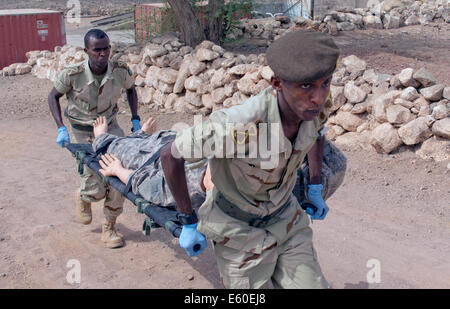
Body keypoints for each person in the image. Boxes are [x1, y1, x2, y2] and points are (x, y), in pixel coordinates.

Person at [160, 30, 343, 289]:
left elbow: (317, 131)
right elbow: (170, 154)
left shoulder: (316, 104)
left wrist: (314, 186)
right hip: (237, 231)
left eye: (325, 82)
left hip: (287, 220)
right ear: (277, 83)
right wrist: (188, 220)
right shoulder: (240, 125)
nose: (318, 96)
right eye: (306, 86)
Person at [48, 29, 141, 248]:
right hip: (82, 130)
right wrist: (61, 127)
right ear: (87, 51)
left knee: (119, 173)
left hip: (109, 128)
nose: (102, 54)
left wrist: (136, 118)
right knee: (96, 185)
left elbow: (131, 90)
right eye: (97, 50)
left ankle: (110, 227)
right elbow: (53, 96)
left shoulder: (120, 71)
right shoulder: (72, 74)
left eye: (106, 48)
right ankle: (84, 196)